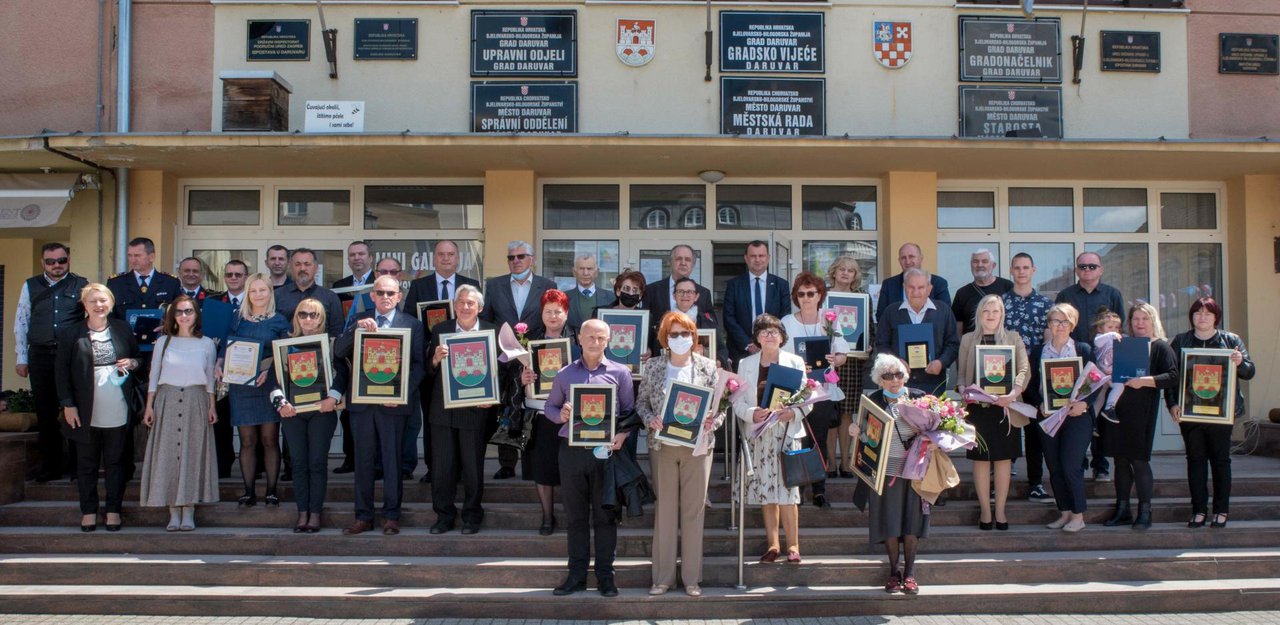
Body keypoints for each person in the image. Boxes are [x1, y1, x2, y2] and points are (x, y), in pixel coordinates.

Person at [545, 319, 636, 597]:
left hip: (606, 455)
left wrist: (623, 435)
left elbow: (630, 414)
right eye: (590, 337)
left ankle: (606, 577)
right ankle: (576, 576)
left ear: (608, 341)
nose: (595, 342)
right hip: (572, 454)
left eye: (601, 338)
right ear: (580, 339)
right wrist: (558, 415)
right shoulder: (564, 373)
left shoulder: (621, 373)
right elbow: (550, 406)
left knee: (605, 517)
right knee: (575, 518)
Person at [636, 312, 722, 597]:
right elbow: (641, 403)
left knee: (693, 512)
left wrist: (714, 421)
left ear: (694, 336)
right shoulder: (653, 367)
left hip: (698, 447)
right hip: (662, 446)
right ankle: (662, 578)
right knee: (666, 511)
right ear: (665, 338)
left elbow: (720, 407)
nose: (680, 339)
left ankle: (692, 579)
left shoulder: (708, 367)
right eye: (674, 334)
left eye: (685, 334)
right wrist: (650, 419)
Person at [335, 276, 426, 536]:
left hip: (392, 405)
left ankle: (391, 516)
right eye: (380, 292)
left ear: (399, 297)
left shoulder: (412, 324)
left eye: (391, 293)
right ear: (372, 296)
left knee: (392, 461)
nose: (385, 296)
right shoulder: (357, 319)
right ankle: (363, 516)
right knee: (363, 462)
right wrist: (356, 331)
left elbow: (419, 366)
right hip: (362, 405)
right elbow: (339, 353)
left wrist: (402, 393)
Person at [55, 283, 142, 532]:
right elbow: (61, 373)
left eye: (103, 300)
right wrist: (67, 405)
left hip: (117, 406)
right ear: (84, 305)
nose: (98, 305)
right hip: (83, 411)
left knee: (116, 463)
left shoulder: (123, 329)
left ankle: (113, 510)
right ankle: (89, 511)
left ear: (111, 303)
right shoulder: (72, 333)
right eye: (93, 301)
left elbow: (139, 360)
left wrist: (133, 362)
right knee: (86, 464)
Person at [1168, 297, 1255, 529]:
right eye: (1198, 312)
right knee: (1195, 460)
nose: (1202, 317)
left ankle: (1221, 510)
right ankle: (1198, 510)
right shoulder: (1180, 341)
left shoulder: (1231, 340)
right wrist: (1172, 404)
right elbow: (1171, 378)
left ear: (1216, 316)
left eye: (1208, 313)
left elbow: (1249, 372)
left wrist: (1239, 362)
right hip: (1190, 413)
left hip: (1221, 414)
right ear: (1192, 316)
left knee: (1220, 461)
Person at [733, 314, 810, 564]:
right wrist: (751, 413)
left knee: (789, 492)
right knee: (766, 493)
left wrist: (794, 412)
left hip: (786, 431)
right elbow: (738, 401)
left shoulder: (795, 362)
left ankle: (794, 546)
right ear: (756, 337)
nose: (769, 335)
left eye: (774, 331)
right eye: (764, 331)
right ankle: (773, 545)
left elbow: (807, 398)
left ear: (782, 336)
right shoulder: (746, 364)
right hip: (759, 433)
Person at [401, 240, 480, 484]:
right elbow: (411, 323)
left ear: (458, 258)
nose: (446, 258)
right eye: (441, 254)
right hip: (431, 365)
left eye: (450, 254)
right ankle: (434, 467)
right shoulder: (418, 286)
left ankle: (461, 469)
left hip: (464, 364)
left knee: (463, 420)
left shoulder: (472, 286)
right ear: (433, 259)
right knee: (433, 418)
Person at [849, 354, 928, 595]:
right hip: (884, 471)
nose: (894, 380)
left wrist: (934, 441)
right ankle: (894, 572)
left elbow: (935, 430)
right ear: (879, 380)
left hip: (914, 471)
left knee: (912, 523)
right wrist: (856, 432)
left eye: (898, 375)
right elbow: (867, 438)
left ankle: (910, 573)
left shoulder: (920, 398)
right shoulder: (871, 401)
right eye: (888, 376)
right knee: (890, 522)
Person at [139, 295, 219, 532]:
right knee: (168, 454)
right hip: (168, 399)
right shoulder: (163, 342)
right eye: (179, 312)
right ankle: (173, 510)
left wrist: (212, 405)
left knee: (192, 454)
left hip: (196, 399)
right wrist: (149, 405)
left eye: (189, 311)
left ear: (196, 315)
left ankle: (189, 510)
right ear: (172, 316)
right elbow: (153, 376)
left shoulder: (206, 344)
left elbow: (209, 378)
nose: (184, 316)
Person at [106, 237, 180, 481]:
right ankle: (124, 468)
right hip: (127, 358)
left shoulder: (170, 283)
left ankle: (160, 468)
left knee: (161, 412)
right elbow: (111, 320)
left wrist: (168, 326)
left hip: (161, 357)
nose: (132, 260)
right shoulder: (116, 284)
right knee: (126, 413)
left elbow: (180, 316)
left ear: (151, 256)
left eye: (137, 255)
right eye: (130, 256)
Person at [1099, 303, 1178, 531]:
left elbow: (1173, 376)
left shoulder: (1161, 346)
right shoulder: (1124, 344)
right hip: (1118, 410)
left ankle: (1145, 511)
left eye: (1145, 319)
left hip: (1142, 410)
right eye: (1135, 319)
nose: (1140, 323)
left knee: (1139, 461)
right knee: (1120, 461)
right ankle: (1122, 510)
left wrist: (1145, 381)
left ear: (1153, 321)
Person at [428, 284, 499, 534]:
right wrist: (435, 359)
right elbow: (426, 372)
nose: (465, 307)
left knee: (472, 468)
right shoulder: (440, 330)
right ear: (454, 305)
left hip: (476, 411)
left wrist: (493, 396)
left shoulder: (493, 331)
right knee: (442, 468)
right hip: (443, 411)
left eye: (471, 303)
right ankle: (444, 516)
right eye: (461, 302)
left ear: (479, 307)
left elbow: (503, 370)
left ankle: (471, 516)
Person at [481, 241, 555, 480]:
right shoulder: (494, 285)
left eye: (521, 256)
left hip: (536, 357)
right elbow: (487, 320)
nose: (516, 261)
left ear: (531, 259)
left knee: (532, 409)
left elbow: (550, 319)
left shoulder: (547, 286)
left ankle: (531, 462)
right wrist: (504, 343)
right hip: (504, 359)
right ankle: (507, 463)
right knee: (507, 409)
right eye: (511, 257)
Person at [15, 242, 89, 482]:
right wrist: (21, 357)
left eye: (62, 260)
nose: (57, 265)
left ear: (68, 259)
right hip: (41, 355)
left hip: (72, 356)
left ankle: (79, 467)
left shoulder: (81, 284)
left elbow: (92, 318)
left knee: (76, 410)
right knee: (45, 414)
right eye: (51, 262)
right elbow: (22, 321)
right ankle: (50, 466)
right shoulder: (30, 285)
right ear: (42, 262)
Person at [956, 295, 1030, 531]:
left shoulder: (1013, 338)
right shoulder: (968, 339)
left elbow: (1024, 369)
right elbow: (960, 377)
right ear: (979, 314)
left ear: (1002, 314)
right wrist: (963, 391)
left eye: (995, 311)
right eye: (986, 311)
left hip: (1004, 407)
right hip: (978, 409)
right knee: (980, 460)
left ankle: (1000, 510)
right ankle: (985, 511)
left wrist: (1015, 392)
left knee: (1002, 460)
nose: (990, 315)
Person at [271, 298, 343, 533]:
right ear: (296, 317)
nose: (308, 319)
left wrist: (332, 398)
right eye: (303, 314)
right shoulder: (285, 344)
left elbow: (343, 374)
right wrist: (281, 403)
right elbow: (274, 380)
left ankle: (315, 513)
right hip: (293, 413)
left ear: (322, 318)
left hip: (322, 411)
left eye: (314, 315)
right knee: (299, 464)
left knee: (316, 463)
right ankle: (302, 512)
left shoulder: (331, 344)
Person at [512, 289, 580, 535]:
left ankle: (575, 517)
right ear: (541, 313)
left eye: (558, 311)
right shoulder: (528, 340)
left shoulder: (578, 339)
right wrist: (522, 378)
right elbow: (510, 377)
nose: (553, 316)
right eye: (548, 311)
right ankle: (547, 517)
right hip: (538, 415)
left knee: (571, 468)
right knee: (542, 468)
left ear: (566, 313)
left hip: (568, 414)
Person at [220, 273, 291, 507]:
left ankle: (271, 491)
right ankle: (249, 491)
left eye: (263, 290)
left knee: (269, 439)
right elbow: (225, 347)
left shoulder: (280, 321)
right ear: (247, 294)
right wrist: (219, 365)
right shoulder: (237, 319)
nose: (258, 295)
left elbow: (286, 354)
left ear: (270, 292)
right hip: (242, 387)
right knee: (247, 441)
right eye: (253, 291)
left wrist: (268, 369)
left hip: (269, 386)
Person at [779, 273, 848, 509]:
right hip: (796, 391)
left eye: (811, 293)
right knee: (797, 439)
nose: (806, 298)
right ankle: (797, 489)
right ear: (796, 297)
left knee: (818, 439)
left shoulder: (829, 320)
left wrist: (835, 359)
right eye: (801, 294)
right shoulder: (787, 322)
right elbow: (780, 356)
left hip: (823, 390)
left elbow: (842, 354)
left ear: (820, 295)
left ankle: (819, 490)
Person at [1055, 251, 1125, 483]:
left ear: (1101, 269)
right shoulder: (1066, 295)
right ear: (1076, 270)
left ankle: (1100, 464)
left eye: (1092, 266)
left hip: (1105, 364)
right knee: (1077, 411)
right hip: (1075, 361)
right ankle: (1079, 461)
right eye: (1082, 267)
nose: (1087, 270)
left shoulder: (1112, 294)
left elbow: (1120, 330)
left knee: (1099, 415)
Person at [1026, 303, 1095, 533]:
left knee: (1070, 465)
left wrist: (1085, 403)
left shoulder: (1083, 350)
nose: (1060, 326)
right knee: (1054, 466)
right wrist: (1039, 403)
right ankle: (1064, 513)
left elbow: (1095, 382)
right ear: (1049, 325)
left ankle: (1078, 515)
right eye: (1055, 321)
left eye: (1065, 321)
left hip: (1077, 417)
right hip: (1049, 417)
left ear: (1072, 324)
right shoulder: (1038, 352)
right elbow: (1031, 386)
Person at [1002, 252, 1054, 503]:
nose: (1021, 272)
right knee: (1006, 428)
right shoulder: (1001, 303)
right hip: (1006, 374)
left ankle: (1035, 483)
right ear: (1011, 270)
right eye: (1017, 268)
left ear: (1033, 270)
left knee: (1035, 431)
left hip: (1034, 375)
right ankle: (1001, 482)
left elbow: (1049, 339)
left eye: (1026, 267)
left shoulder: (1045, 304)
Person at [876, 268, 960, 395]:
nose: (916, 292)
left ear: (929, 288)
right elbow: (881, 344)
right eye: (911, 287)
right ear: (904, 287)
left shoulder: (944, 311)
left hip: (934, 383)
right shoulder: (891, 312)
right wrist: (896, 361)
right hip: (898, 382)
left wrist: (941, 362)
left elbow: (953, 344)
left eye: (921, 287)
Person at [825, 255, 872, 480]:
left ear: (855, 276)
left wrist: (867, 345)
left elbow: (867, 326)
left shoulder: (862, 297)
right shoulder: (823, 295)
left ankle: (846, 462)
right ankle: (829, 463)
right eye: (841, 269)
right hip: (828, 361)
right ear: (833, 271)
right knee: (829, 414)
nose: (845, 273)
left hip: (852, 362)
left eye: (850, 270)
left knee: (846, 415)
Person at [723, 240, 791, 364]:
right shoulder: (734, 285)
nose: (757, 259)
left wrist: (768, 340)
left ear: (768, 258)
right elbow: (729, 318)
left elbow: (785, 316)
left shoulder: (781, 285)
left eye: (761, 256)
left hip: (773, 350)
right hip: (741, 350)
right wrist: (748, 344)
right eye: (753, 256)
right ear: (746, 258)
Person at [211, 259, 249, 479]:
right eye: (229, 274)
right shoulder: (214, 302)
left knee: (251, 422)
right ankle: (222, 465)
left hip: (247, 369)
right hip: (220, 371)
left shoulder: (256, 302)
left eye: (238, 274)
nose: (233, 278)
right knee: (221, 420)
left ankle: (258, 467)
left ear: (246, 277)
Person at [875, 243, 951, 324]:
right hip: (898, 334)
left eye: (911, 257)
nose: (907, 261)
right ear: (899, 261)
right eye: (903, 258)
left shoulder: (938, 283)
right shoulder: (888, 284)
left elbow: (945, 315)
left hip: (931, 334)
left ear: (921, 258)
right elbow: (881, 316)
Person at [275, 248, 344, 337]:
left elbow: (337, 332)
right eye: (297, 264)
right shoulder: (277, 295)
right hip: (285, 349)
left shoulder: (330, 297)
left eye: (307, 264)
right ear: (291, 267)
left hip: (320, 349)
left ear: (316, 268)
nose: (302, 268)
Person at [669, 277, 730, 369]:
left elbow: (722, 349)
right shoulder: (665, 322)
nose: (685, 295)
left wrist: (719, 360)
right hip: (673, 372)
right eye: (680, 291)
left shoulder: (708, 322)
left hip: (702, 375)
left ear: (696, 296)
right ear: (674, 296)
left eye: (690, 292)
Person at [643, 245, 713, 323]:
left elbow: (712, 325)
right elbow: (645, 324)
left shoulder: (704, 293)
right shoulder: (651, 290)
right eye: (678, 259)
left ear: (692, 265)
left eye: (687, 259)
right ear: (670, 262)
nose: (683, 263)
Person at [951, 249, 1013, 336]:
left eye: (984, 261)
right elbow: (958, 328)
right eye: (975, 261)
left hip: (1003, 345)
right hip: (972, 346)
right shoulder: (962, 293)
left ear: (993, 265)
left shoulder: (1007, 287)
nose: (980, 265)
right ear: (971, 265)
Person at [1091, 309, 1127, 422]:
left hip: (1111, 373)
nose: (1114, 330)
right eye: (1110, 327)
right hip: (1099, 373)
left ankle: (1109, 408)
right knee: (1099, 398)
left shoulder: (1117, 339)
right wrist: (1111, 334)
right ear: (1100, 328)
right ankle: (1091, 422)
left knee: (1120, 386)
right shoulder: (1100, 338)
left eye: (1116, 328)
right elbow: (1097, 342)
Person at [565, 253, 616, 332]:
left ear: (596, 272)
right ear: (574, 272)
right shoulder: (564, 298)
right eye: (581, 268)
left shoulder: (611, 298)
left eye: (589, 269)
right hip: (573, 343)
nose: (585, 273)